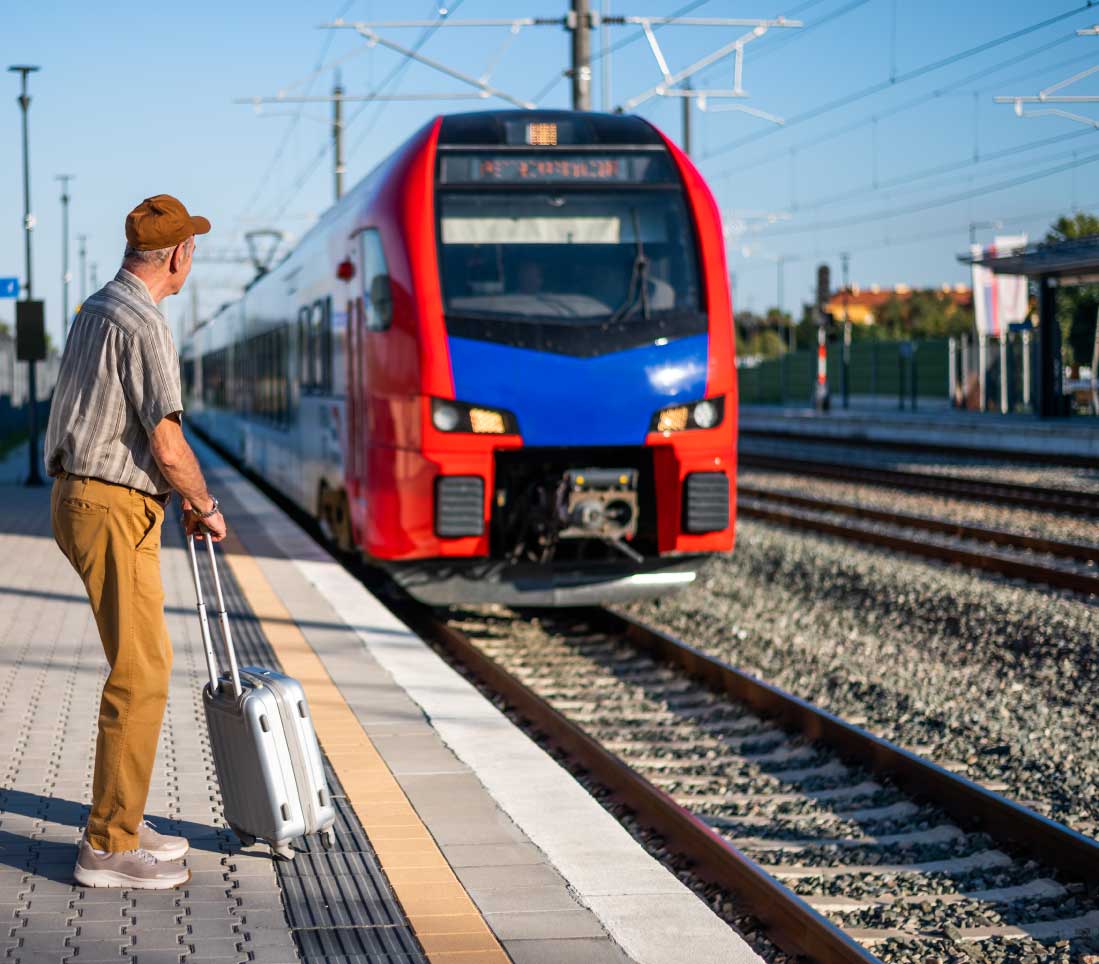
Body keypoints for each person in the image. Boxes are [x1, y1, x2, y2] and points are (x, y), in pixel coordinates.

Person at [45, 194, 228, 889]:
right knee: (143, 671)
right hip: (111, 504)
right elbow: (165, 439)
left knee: (139, 662)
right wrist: (203, 503)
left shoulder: (95, 308)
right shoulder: (146, 322)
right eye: (193, 251)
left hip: (87, 497)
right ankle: (109, 846)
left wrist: (172, 493)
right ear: (180, 255)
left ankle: (124, 818)